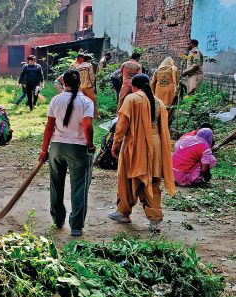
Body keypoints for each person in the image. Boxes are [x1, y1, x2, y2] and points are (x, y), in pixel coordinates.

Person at [108, 74, 175, 232]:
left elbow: (122, 124)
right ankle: (155, 218)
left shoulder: (132, 98)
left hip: (136, 144)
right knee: (151, 181)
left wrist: (116, 143)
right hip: (156, 145)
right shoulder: (158, 102)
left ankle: (123, 212)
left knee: (126, 178)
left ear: (134, 86)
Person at [39, 70, 95, 237]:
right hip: (77, 149)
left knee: (56, 185)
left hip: (56, 148)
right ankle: (76, 227)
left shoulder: (55, 100)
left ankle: (58, 219)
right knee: (79, 187)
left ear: (63, 82)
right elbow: (88, 126)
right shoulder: (86, 101)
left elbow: (49, 126)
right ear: (80, 83)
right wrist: (90, 145)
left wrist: (44, 149)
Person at [151, 57, 179, 124]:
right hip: (170, 90)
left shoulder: (158, 70)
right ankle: (166, 122)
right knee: (168, 107)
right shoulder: (173, 68)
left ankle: (158, 121)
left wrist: (153, 93)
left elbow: (152, 82)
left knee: (159, 106)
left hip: (159, 90)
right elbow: (176, 81)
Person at [78, 54, 99, 119]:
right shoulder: (89, 65)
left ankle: (82, 116)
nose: (91, 61)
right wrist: (93, 85)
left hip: (81, 87)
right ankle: (96, 116)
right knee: (93, 101)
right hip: (88, 86)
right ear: (88, 59)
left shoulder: (79, 66)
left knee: (82, 102)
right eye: (90, 60)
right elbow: (92, 76)